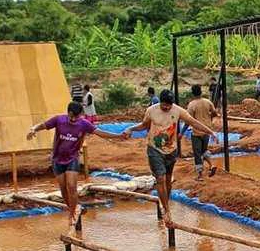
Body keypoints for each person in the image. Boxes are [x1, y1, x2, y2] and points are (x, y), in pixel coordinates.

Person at [123, 90, 217, 226]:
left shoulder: (178, 111)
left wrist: (210, 132)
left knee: (168, 179)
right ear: (160, 102)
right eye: (164, 105)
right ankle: (166, 210)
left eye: (169, 105)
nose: (166, 107)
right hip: (154, 149)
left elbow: (193, 122)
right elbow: (144, 125)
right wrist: (131, 128)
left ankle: (165, 202)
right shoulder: (151, 110)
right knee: (160, 179)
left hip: (171, 150)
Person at [27, 102, 125, 227]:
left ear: (80, 115)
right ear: (68, 113)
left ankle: (72, 214)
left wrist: (118, 136)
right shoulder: (59, 120)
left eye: (76, 117)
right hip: (57, 159)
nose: (73, 119)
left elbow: (99, 132)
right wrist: (33, 129)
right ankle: (74, 208)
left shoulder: (84, 124)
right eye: (71, 116)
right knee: (63, 189)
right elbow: (43, 125)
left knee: (71, 186)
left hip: (72, 159)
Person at [186, 84, 218, 180]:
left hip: (196, 132)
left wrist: (181, 132)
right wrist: (209, 119)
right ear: (201, 91)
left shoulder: (192, 105)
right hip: (207, 130)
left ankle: (200, 175)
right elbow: (215, 113)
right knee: (204, 150)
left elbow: (189, 120)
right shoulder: (208, 102)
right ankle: (211, 165)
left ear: (192, 93)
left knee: (197, 153)